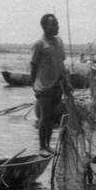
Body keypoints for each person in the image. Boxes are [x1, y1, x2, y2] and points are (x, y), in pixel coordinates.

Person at [29, 13, 68, 154]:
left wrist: (66, 82)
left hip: (57, 86)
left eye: (57, 23)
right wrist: (34, 86)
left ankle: (48, 145)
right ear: (45, 27)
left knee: (51, 118)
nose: (57, 26)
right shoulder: (39, 44)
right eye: (54, 24)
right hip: (43, 87)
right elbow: (33, 66)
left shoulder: (59, 42)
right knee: (45, 117)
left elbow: (61, 64)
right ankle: (42, 147)